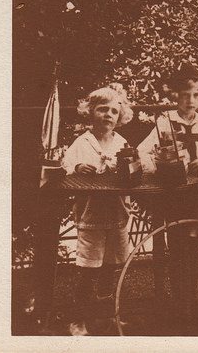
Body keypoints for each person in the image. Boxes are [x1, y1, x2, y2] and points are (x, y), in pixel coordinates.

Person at [137, 63, 198, 333]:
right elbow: (142, 152)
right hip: (173, 194)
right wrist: (159, 163)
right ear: (176, 95)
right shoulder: (165, 122)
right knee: (176, 247)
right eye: (185, 94)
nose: (190, 100)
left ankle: (191, 298)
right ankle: (178, 300)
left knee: (193, 246)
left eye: (195, 95)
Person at [61, 84, 134, 335]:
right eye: (102, 110)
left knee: (112, 266)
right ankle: (78, 318)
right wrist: (79, 167)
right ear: (91, 112)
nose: (108, 115)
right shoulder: (82, 142)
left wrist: (127, 168)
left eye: (114, 111)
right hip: (91, 214)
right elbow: (67, 164)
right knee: (88, 267)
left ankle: (108, 315)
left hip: (117, 214)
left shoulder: (122, 142)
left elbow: (134, 167)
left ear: (120, 116)